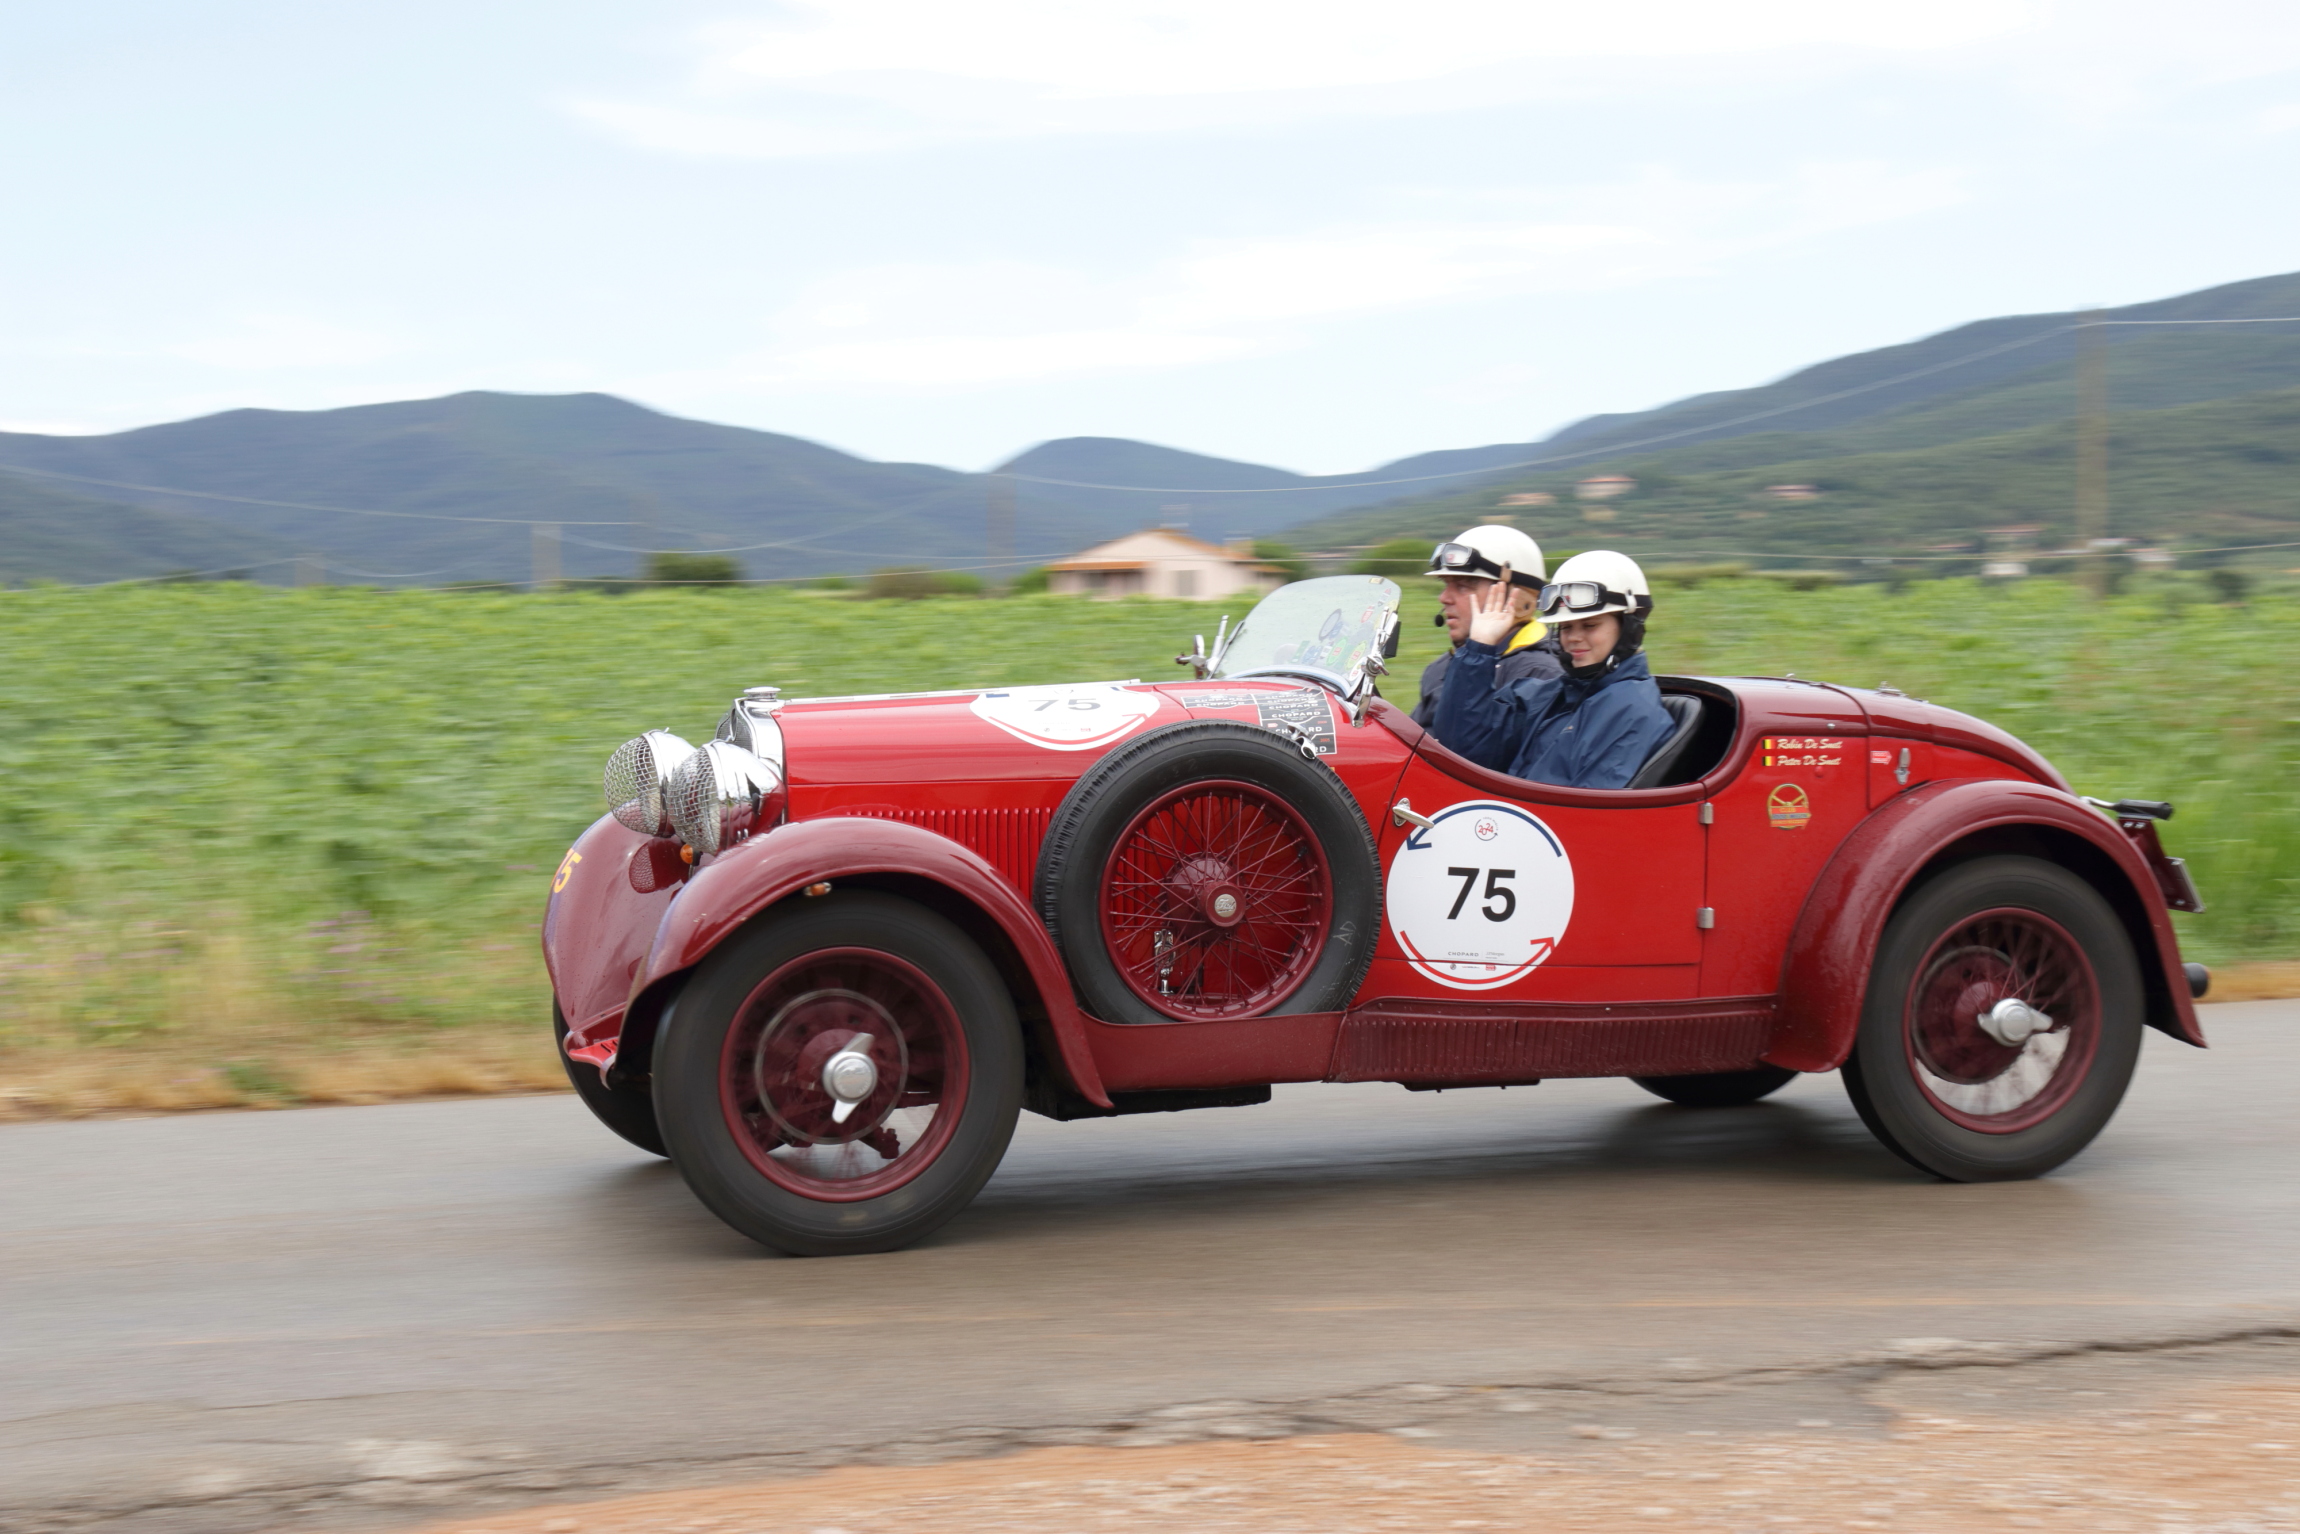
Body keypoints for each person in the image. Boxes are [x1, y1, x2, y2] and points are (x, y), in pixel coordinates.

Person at [1433, 550, 1675, 790]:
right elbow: (1460, 750)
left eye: (1590, 625)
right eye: (1566, 627)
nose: (1574, 638)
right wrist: (1478, 649)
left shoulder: (1632, 711)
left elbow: (1588, 811)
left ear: (1629, 629)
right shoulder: (1542, 696)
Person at [1411, 525, 1565, 731]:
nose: (1444, 598)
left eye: (1463, 586)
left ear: (1515, 597)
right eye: (1445, 584)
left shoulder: (1541, 675)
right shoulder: (1442, 667)